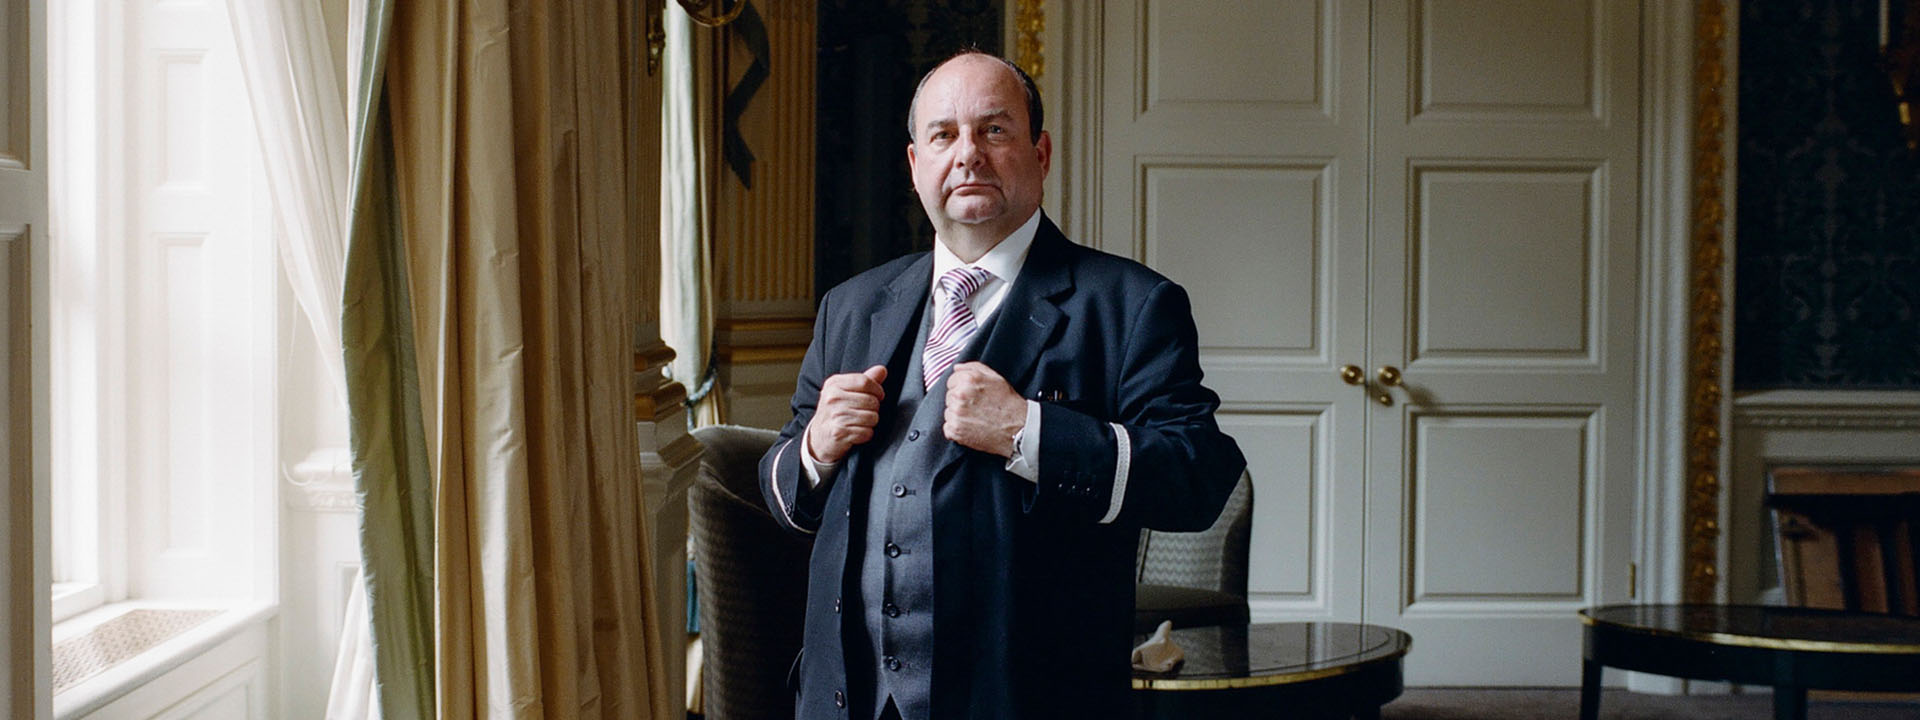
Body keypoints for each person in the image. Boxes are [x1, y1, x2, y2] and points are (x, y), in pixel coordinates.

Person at [760, 50, 1245, 720]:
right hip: (849, 698)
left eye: (994, 131)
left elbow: (1199, 479)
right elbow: (785, 488)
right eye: (944, 134)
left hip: (1033, 697)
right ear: (914, 165)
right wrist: (814, 449)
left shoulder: (1130, 304)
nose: (969, 155)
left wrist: (1029, 432)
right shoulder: (851, 305)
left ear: (1040, 153)